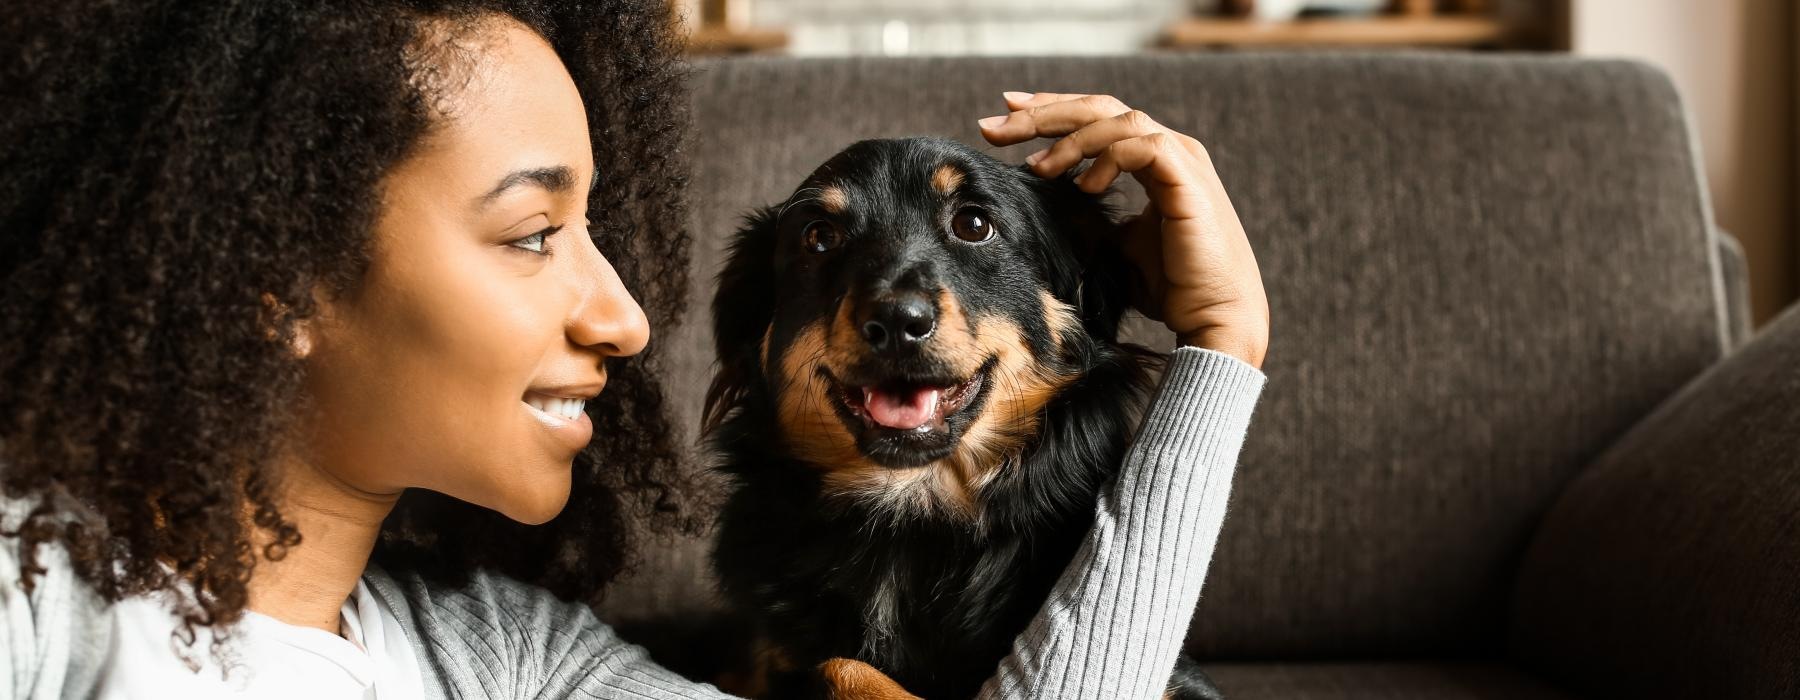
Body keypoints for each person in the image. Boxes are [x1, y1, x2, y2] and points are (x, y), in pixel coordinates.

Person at [0, 1, 1269, 698]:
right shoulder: (33, 592)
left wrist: (1221, 355)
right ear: (279, 264)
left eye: (598, 228)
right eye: (536, 232)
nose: (627, 319)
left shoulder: (517, 663)